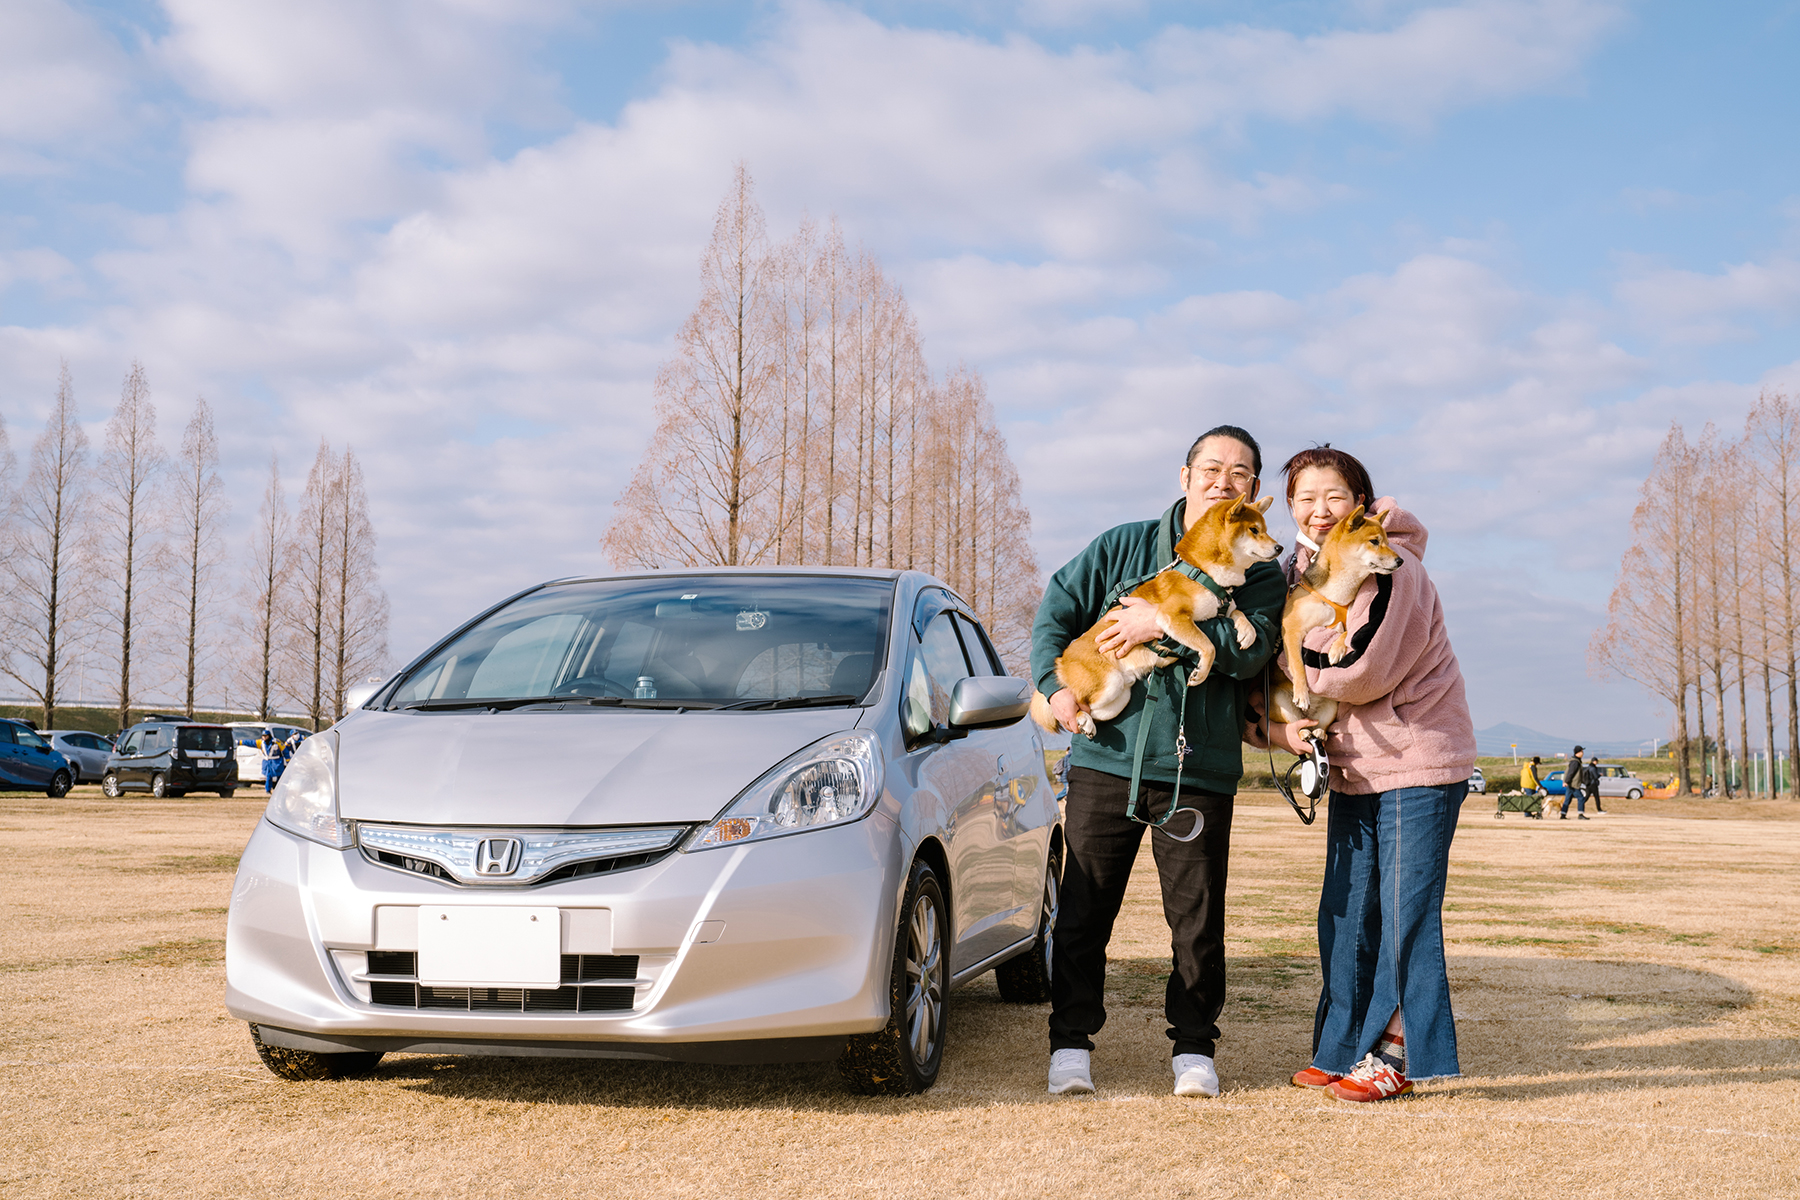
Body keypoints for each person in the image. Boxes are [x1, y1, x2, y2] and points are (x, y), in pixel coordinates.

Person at [1032, 425, 1285, 1099]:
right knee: (1084, 909)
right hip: (1104, 760)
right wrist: (1054, 689)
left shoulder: (1258, 574)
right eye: (1211, 467)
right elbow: (1055, 615)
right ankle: (1070, 1045)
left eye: (1239, 473)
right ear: (1185, 475)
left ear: (1253, 490)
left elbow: (1250, 653)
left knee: (1197, 921)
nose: (1223, 480)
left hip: (1195, 769)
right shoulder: (1124, 545)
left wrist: (1155, 627)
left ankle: (1195, 1049)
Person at [1251, 445, 1475, 1103]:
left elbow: (1363, 671)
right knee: (1346, 915)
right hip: (1355, 769)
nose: (1319, 511)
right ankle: (1344, 1047)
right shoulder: (1301, 573)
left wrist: (1292, 668)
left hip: (1417, 762)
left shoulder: (1396, 567)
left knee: (1404, 913)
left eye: (1333, 497)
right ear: (1291, 508)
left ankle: (1397, 1054)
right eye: (1305, 499)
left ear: (1359, 503)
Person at [1560, 746, 1587, 819]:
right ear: (1578, 752)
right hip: (1573, 784)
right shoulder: (1575, 762)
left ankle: (1563, 814)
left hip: (1570, 784)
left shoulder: (1574, 760)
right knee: (1581, 798)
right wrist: (1567, 781)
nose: (1583, 753)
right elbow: (1571, 773)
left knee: (1567, 799)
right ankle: (1580, 814)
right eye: (1582, 751)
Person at [258, 728, 286, 794]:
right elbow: (250, 742)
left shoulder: (276, 742)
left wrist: (288, 760)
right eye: (263, 736)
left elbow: (284, 750)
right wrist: (239, 742)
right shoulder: (261, 742)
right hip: (268, 762)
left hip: (277, 761)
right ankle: (268, 790)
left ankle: (278, 789)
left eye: (266, 736)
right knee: (269, 775)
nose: (264, 737)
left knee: (279, 775)